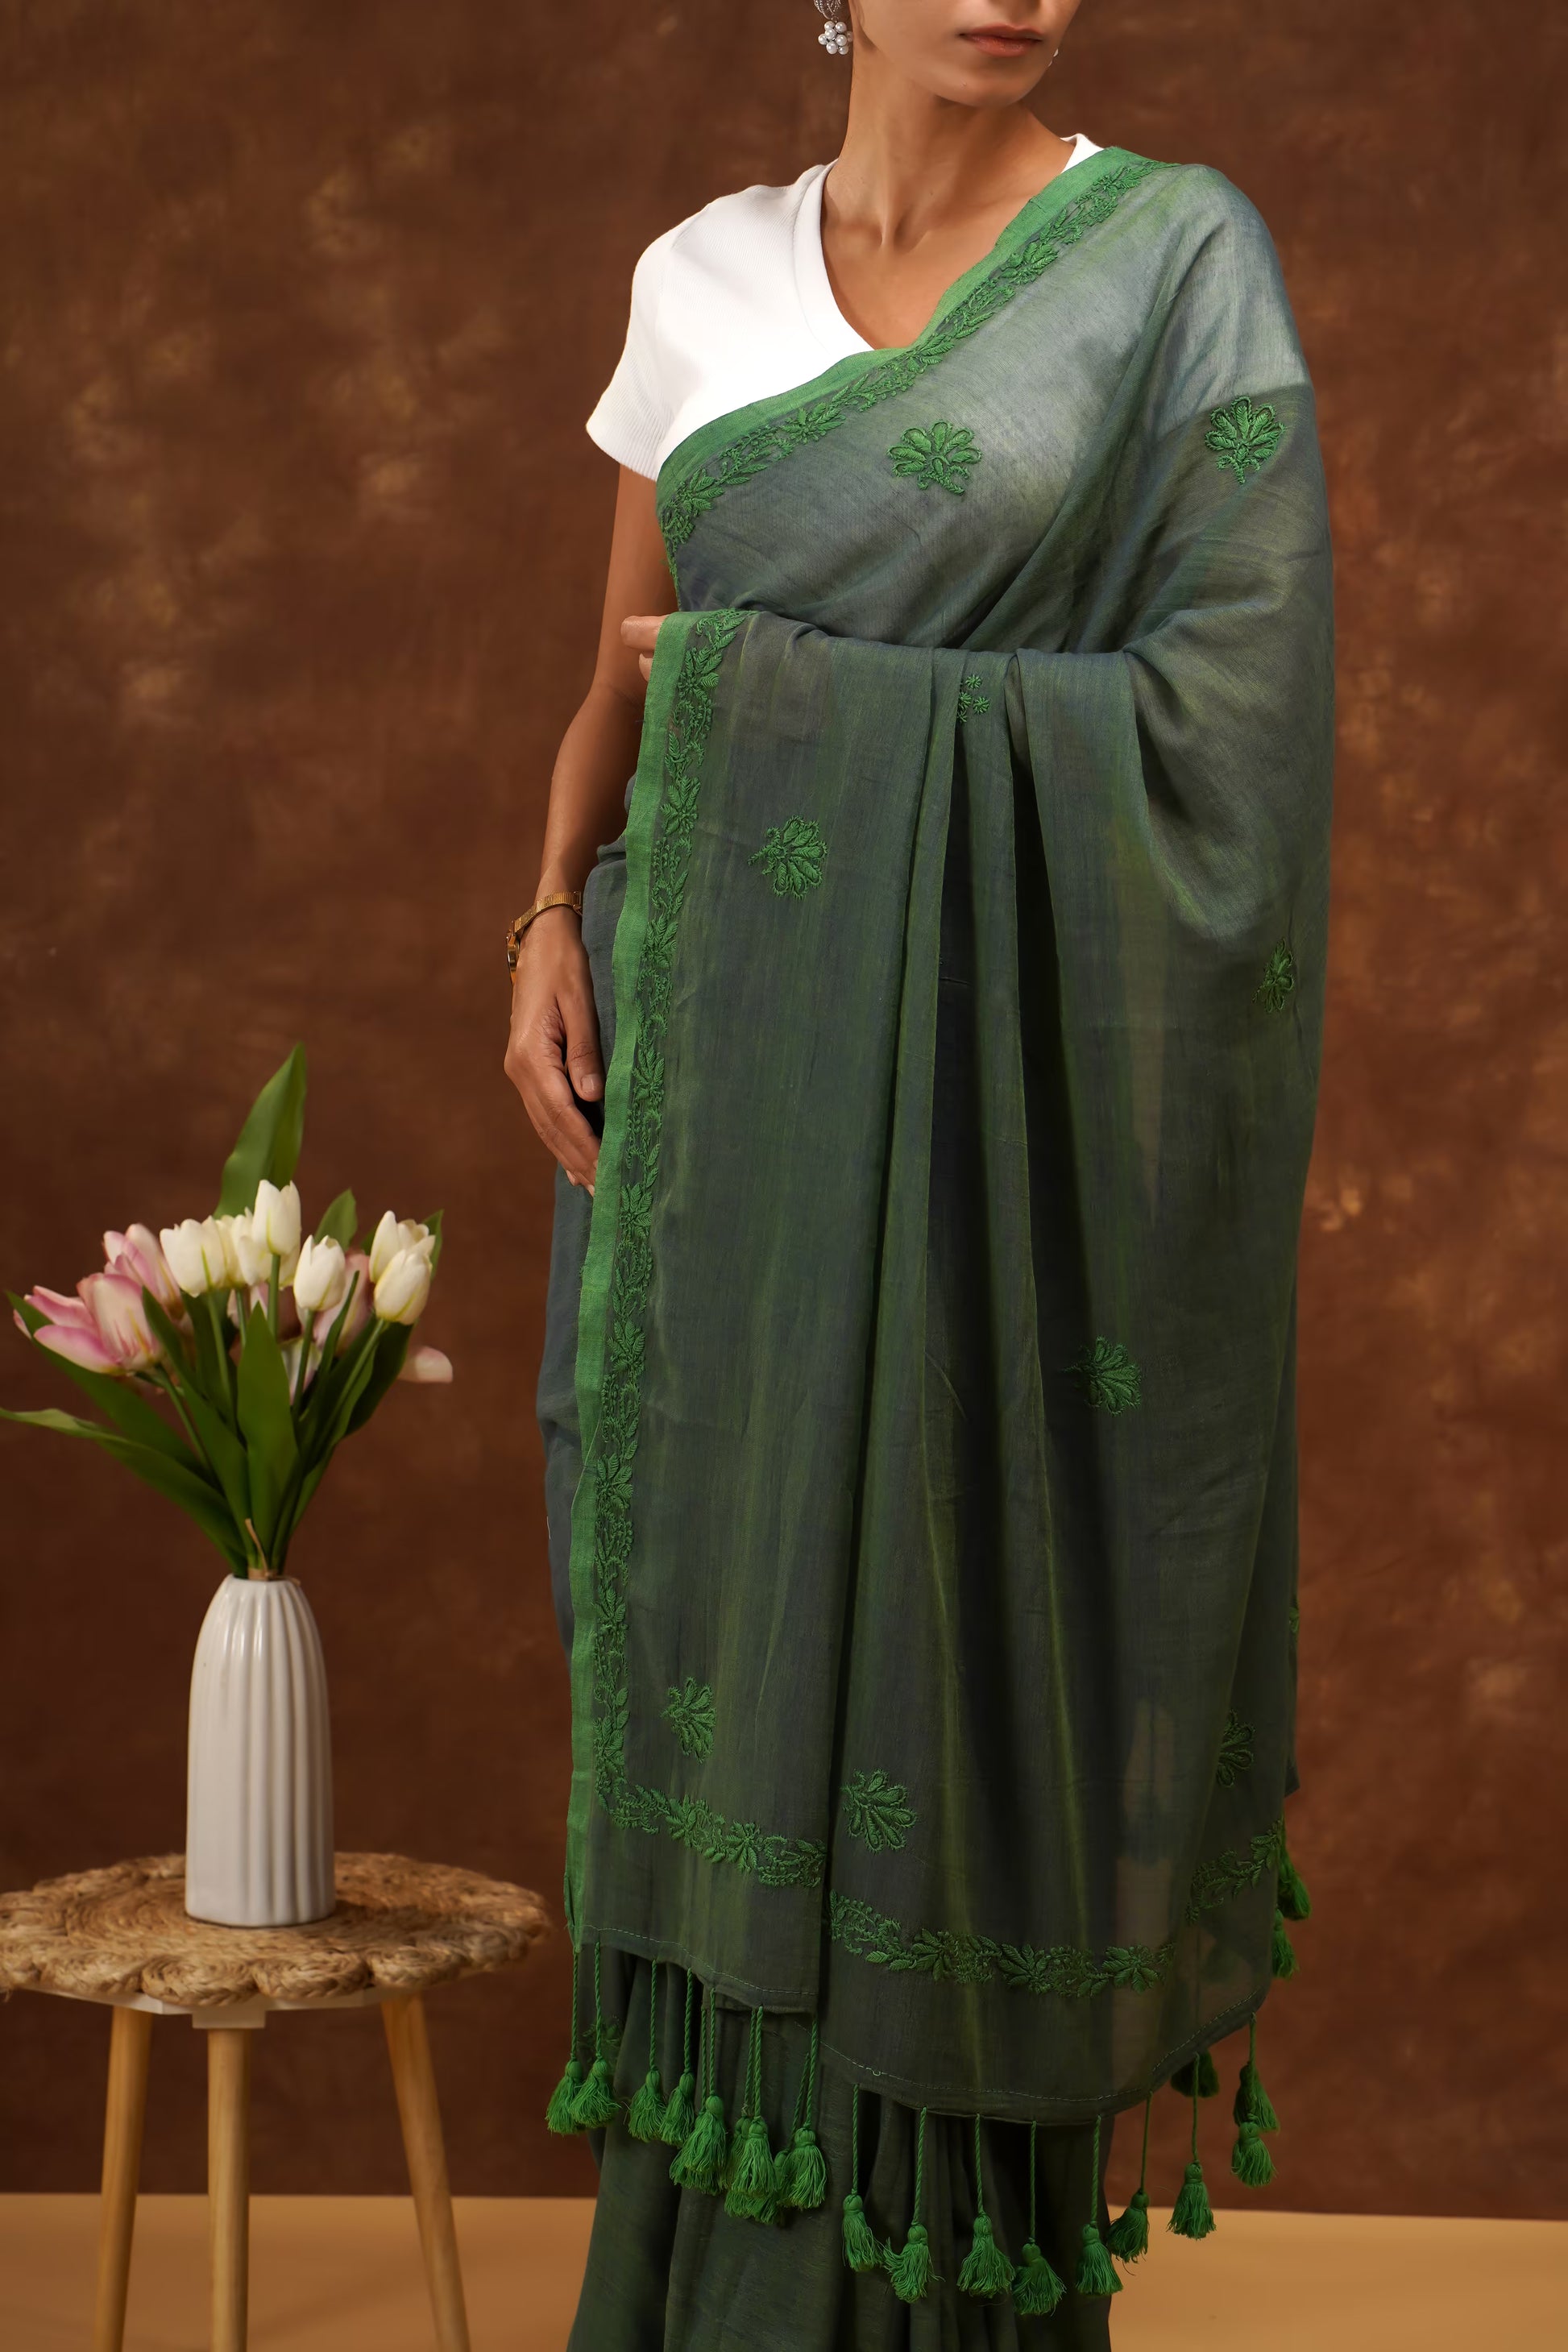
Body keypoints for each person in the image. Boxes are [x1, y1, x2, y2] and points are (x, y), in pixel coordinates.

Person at [506, 3, 1331, 2344]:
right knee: (714, 1649)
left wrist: (813, 712)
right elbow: (623, 679)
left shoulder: (1169, 261)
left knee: (951, 1686)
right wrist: (541, 918)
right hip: (702, 1142)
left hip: (995, 1157)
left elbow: (1236, 736)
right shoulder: (702, 281)